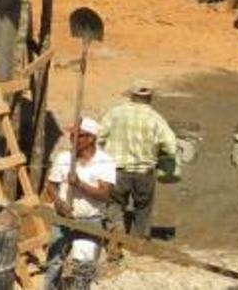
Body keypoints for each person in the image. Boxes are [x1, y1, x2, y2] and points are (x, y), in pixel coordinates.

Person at [98, 79, 177, 259]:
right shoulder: (156, 118)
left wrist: (102, 156)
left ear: (132, 95)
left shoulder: (115, 113)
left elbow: (99, 136)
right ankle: (137, 244)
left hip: (117, 171)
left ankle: (114, 241)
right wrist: (161, 156)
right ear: (150, 97)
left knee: (115, 206)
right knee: (143, 208)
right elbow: (171, 144)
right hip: (144, 173)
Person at [44, 118, 116, 290]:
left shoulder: (105, 161)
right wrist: (59, 203)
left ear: (91, 138)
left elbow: (105, 195)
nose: (73, 139)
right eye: (71, 135)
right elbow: (51, 186)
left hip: (90, 221)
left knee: (84, 266)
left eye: (78, 136)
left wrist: (79, 184)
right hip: (62, 218)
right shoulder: (63, 158)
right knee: (54, 262)